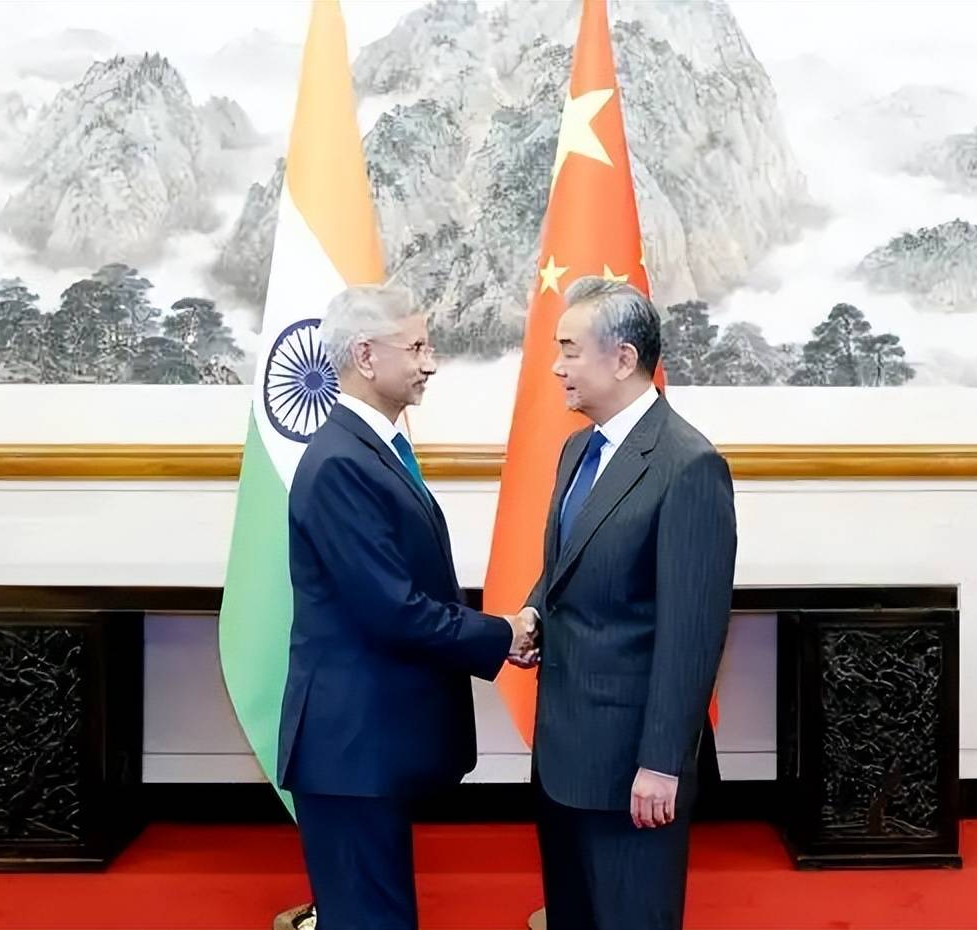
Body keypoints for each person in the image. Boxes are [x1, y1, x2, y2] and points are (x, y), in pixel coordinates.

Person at [276, 283, 537, 930]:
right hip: (349, 748)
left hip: (368, 744)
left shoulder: (371, 449)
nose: (431, 363)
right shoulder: (341, 462)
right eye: (417, 347)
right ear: (366, 355)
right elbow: (392, 609)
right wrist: (501, 635)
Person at [521, 276, 737, 930]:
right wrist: (533, 612)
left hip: (632, 769)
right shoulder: (576, 450)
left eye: (569, 350)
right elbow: (564, 568)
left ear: (622, 359)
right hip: (562, 754)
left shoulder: (688, 465)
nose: (556, 367)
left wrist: (661, 763)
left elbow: (691, 634)